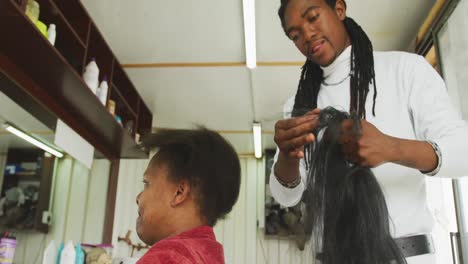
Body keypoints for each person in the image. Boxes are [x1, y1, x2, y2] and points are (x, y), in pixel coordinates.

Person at [270, 0, 468, 263]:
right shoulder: (299, 105)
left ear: (339, 9)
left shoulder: (406, 70)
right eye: (295, 35)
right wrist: (286, 156)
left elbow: (462, 151)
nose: (306, 35)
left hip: (407, 257)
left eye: (313, 17)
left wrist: (391, 148)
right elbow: (287, 196)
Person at [136, 127, 241, 264]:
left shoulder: (167, 258)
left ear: (179, 192)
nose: (138, 198)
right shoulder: (208, 256)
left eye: (147, 183)